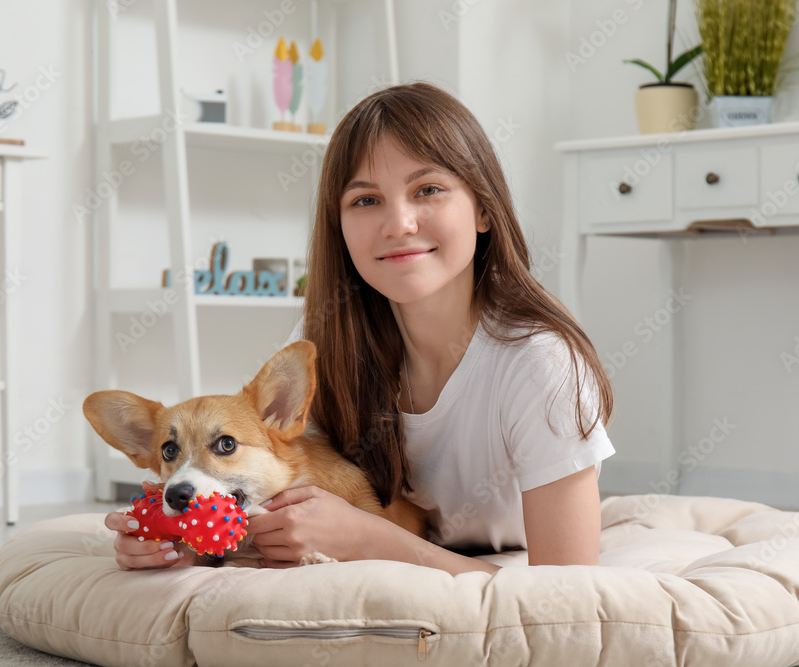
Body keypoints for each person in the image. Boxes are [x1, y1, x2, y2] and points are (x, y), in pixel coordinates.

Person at [105, 81, 615, 574]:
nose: (399, 223)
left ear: (483, 208)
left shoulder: (541, 363)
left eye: (428, 189)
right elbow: (276, 488)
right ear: (340, 225)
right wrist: (187, 538)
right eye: (366, 200)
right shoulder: (326, 338)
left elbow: (567, 593)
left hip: (503, 564)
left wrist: (371, 540)